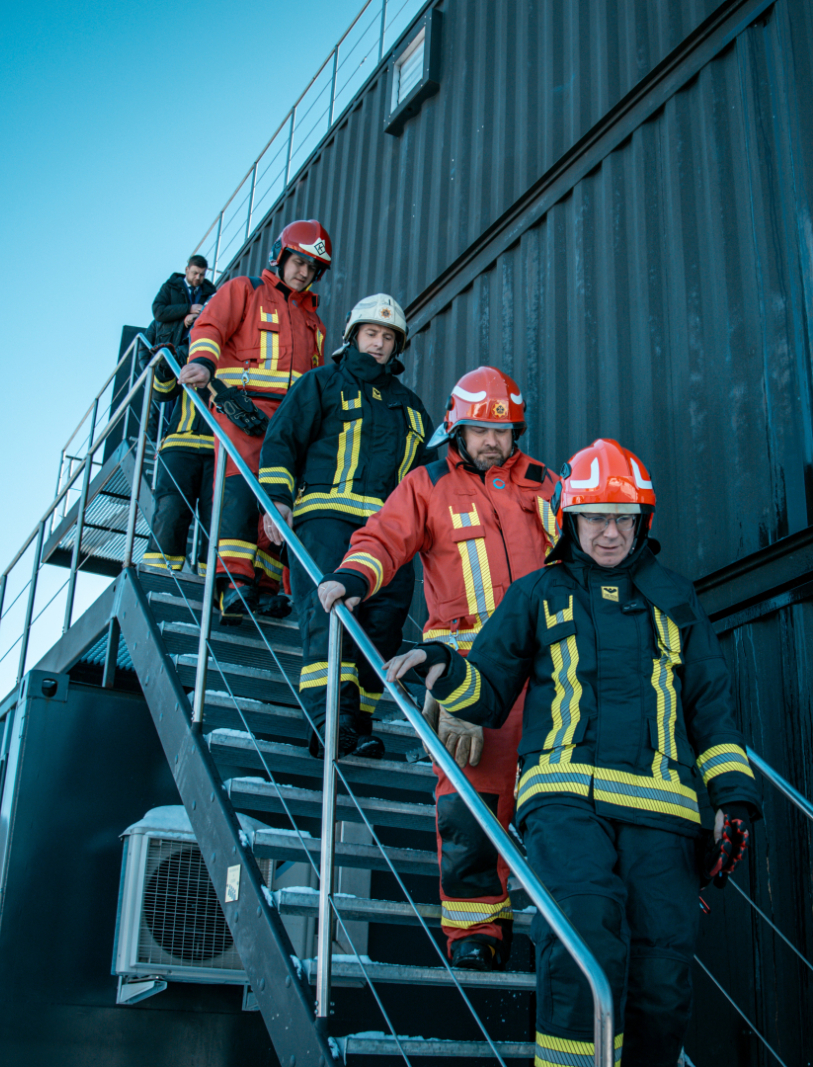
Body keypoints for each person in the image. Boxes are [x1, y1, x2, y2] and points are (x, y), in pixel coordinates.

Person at [385, 438, 762, 1067]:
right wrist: (444, 666)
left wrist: (735, 799)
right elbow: (488, 692)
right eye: (595, 517)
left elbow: (711, 709)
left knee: (662, 978)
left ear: (642, 522)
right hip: (564, 801)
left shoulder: (677, 599)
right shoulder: (537, 594)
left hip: (664, 813)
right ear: (570, 520)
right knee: (584, 938)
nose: (609, 533)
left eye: (622, 518)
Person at [315, 367, 557, 971]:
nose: (493, 442)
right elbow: (384, 537)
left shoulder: (544, 484)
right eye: (481, 430)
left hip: (552, 670)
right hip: (468, 675)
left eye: (504, 431)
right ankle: (476, 929)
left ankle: (568, 924)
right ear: (457, 426)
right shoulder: (426, 486)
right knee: (473, 799)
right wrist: (351, 577)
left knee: (563, 795)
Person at [257, 294, 431, 758]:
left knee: (384, 626)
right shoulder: (320, 383)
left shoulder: (412, 408)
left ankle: (362, 723)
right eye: (371, 333)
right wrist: (277, 499)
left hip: (392, 537)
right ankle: (330, 719)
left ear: (398, 347)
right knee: (330, 617)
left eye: (388, 337)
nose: (378, 343)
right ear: (352, 336)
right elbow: (282, 441)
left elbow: (430, 479)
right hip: (325, 520)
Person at [180, 220, 332, 615]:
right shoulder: (244, 290)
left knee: (277, 498)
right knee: (240, 489)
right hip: (240, 408)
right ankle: (232, 581)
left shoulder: (315, 322)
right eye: (298, 261)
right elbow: (210, 326)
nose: (303, 272)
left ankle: (264, 585)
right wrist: (201, 361)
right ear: (280, 257)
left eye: (312, 267)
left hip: (290, 423)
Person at [142, 255, 220, 573]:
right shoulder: (185, 353)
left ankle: (206, 582)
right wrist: (165, 366)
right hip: (181, 445)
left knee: (213, 524)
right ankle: (160, 575)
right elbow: (162, 394)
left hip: (220, 452)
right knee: (171, 515)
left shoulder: (240, 360)